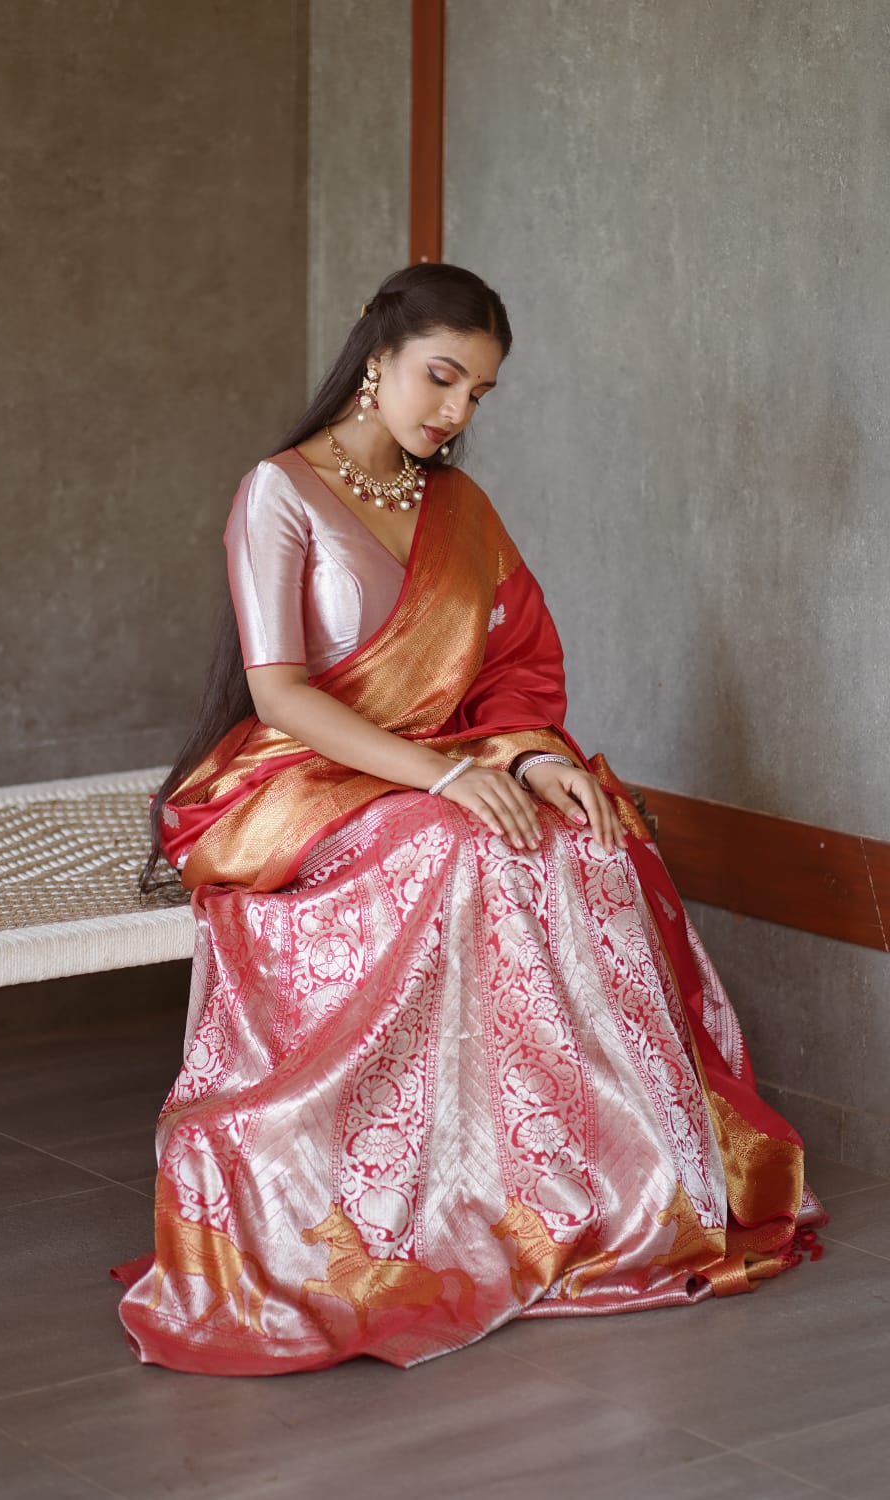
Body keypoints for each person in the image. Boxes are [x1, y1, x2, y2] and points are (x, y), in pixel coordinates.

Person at [113, 263, 826, 1376]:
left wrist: (530, 757)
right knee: (461, 843)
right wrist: (443, 781)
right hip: (301, 776)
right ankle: (415, 1200)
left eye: (478, 394)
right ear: (377, 356)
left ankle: (575, 1187)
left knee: (587, 833)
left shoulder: (458, 507)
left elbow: (512, 667)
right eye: (440, 378)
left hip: (441, 764)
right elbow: (281, 694)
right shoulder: (280, 492)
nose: (455, 411)